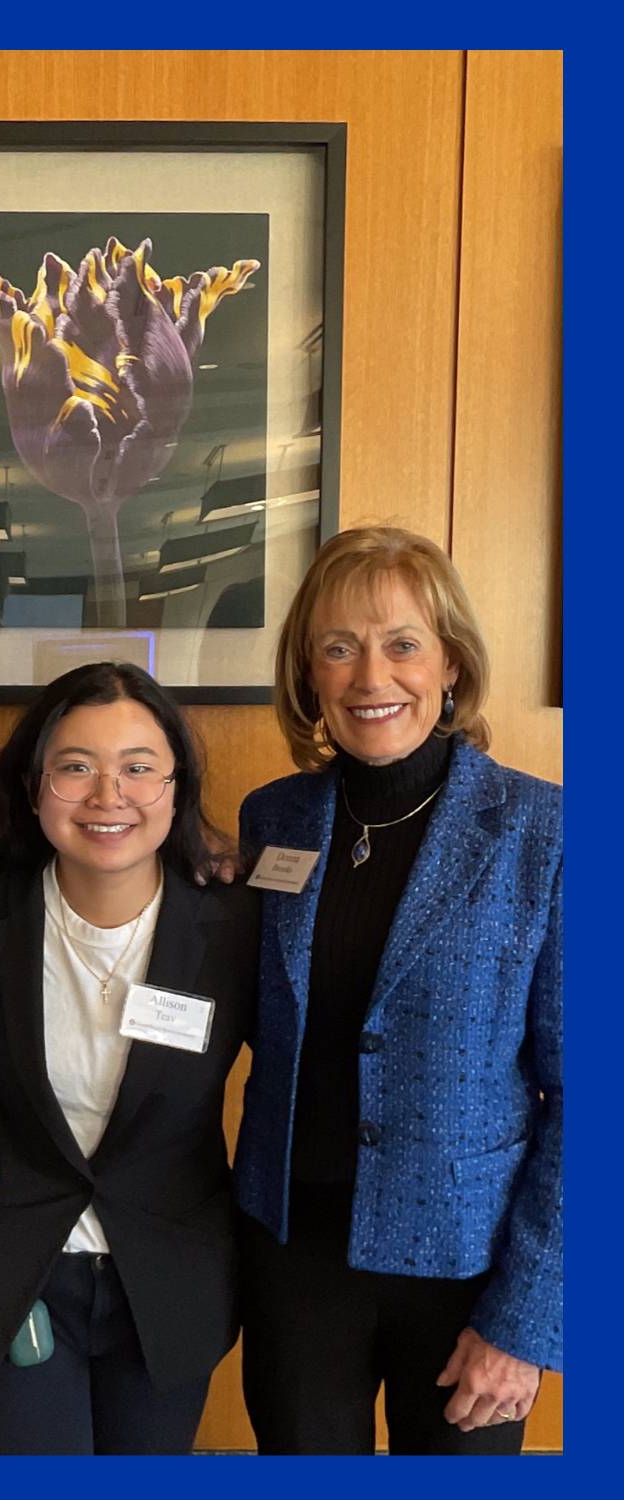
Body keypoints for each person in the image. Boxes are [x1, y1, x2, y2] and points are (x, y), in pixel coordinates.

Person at [234, 525, 562, 1455]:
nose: (370, 675)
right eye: (338, 647)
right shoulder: (274, 819)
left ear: (450, 663)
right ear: (309, 674)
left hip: (466, 1273)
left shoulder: (543, 832)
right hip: (295, 1251)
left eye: (402, 643)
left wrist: (525, 1323)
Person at [0, 662, 259, 1454]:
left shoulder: (235, 924)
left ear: (176, 787)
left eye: (139, 768)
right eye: (76, 767)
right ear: (36, 785)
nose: (108, 796)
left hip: (169, 1277)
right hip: (20, 1272)